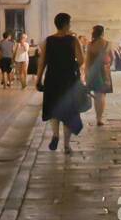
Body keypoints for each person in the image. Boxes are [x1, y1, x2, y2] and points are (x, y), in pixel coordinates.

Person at [37, 12, 86, 153]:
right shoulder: (73, 40)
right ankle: (66, 145)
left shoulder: (48, 40)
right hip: (68, 79)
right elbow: (81, 60)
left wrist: (38, 79)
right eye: (69, 23)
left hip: (52, 78)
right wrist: (73, 65)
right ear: (65, 24)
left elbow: (42, 62)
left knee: (54, 109)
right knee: (69, 112)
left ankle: (55, 134)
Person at [84, 25, 112, 125]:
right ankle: (100, 117)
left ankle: (98, 117)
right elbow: (110, 59)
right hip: (104, 71)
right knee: (102, 95)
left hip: (93, 72)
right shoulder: (107, 43)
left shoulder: (90, 45)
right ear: (102, 32)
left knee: (97, 95)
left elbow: (87, 61)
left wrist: (86, 74)